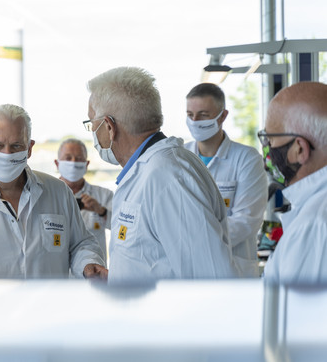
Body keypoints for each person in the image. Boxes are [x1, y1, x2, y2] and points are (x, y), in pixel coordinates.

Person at [85, 66, 237, 283]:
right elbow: (155, 258)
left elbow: (210, 280)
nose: (93, 134)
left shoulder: (168, 177)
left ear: (109, 127)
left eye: (92, 124)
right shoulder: (151, 170)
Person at [0, 104, 107, 280]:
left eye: (16, 146)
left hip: (47, 304)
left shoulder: (58, 192)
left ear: (30, 148)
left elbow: (81, 243)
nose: (7, 154)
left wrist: (88, 263)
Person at [184, 83, 267, 277]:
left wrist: (194, 238)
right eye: (190, 115)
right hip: (191, 269)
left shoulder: (247, 159)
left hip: (234, 270)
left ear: (223, 115)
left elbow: (247, 220)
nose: (195, 121)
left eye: (203, 115)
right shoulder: (180, 157)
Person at [258, 81, 327, 284]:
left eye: (270, 141)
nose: (267, 150)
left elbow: (294, 312)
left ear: (299, 149)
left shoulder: (313, 225)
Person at [55, 138, 113, 263]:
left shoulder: (103, 195)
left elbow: (120, 227)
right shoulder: (47, 194)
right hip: (58, 273)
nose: (73, 163)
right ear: (57, 163)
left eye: (79, 158)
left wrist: (101, 211)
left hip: (94, 270)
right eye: (68, 158)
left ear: (86, 164)